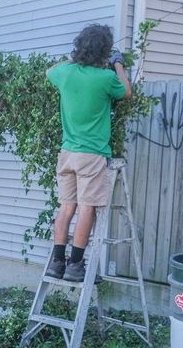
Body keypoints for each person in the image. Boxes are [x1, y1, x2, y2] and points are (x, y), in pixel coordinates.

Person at [45, 24, 131, 282]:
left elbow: (49, 70)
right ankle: (75, 265)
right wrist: (118, 64)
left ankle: (57, 262)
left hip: (67, 153)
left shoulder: (64, 73)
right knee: (86, 209)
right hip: (92, 155)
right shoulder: (105, 79)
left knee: (66, 207)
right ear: (104, 51)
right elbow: (126, 92)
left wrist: (74, 59)